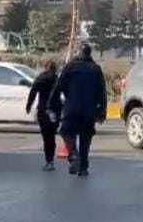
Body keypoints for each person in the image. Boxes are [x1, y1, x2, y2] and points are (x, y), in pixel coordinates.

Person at [48, 44, 107, 177]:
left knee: (66, 132)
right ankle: (84, 168)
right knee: (86, 138)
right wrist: (102, 112)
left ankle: (74, 154)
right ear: (90, 53)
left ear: (78, 52)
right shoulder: (96, 69)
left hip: (72, 108)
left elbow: (58, 87)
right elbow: (102, 92)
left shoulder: (70, 67)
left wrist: (51, 105)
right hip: (89, 110)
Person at [26, 60, 60, 171]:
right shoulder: (57, 79)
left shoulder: (41, 78)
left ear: (45, 67)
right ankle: (51, 160)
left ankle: (49, 161)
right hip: (55, 110)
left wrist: (29, 106)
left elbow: (33, 92)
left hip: (43, 110)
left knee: (46, 137)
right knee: (52, 135)